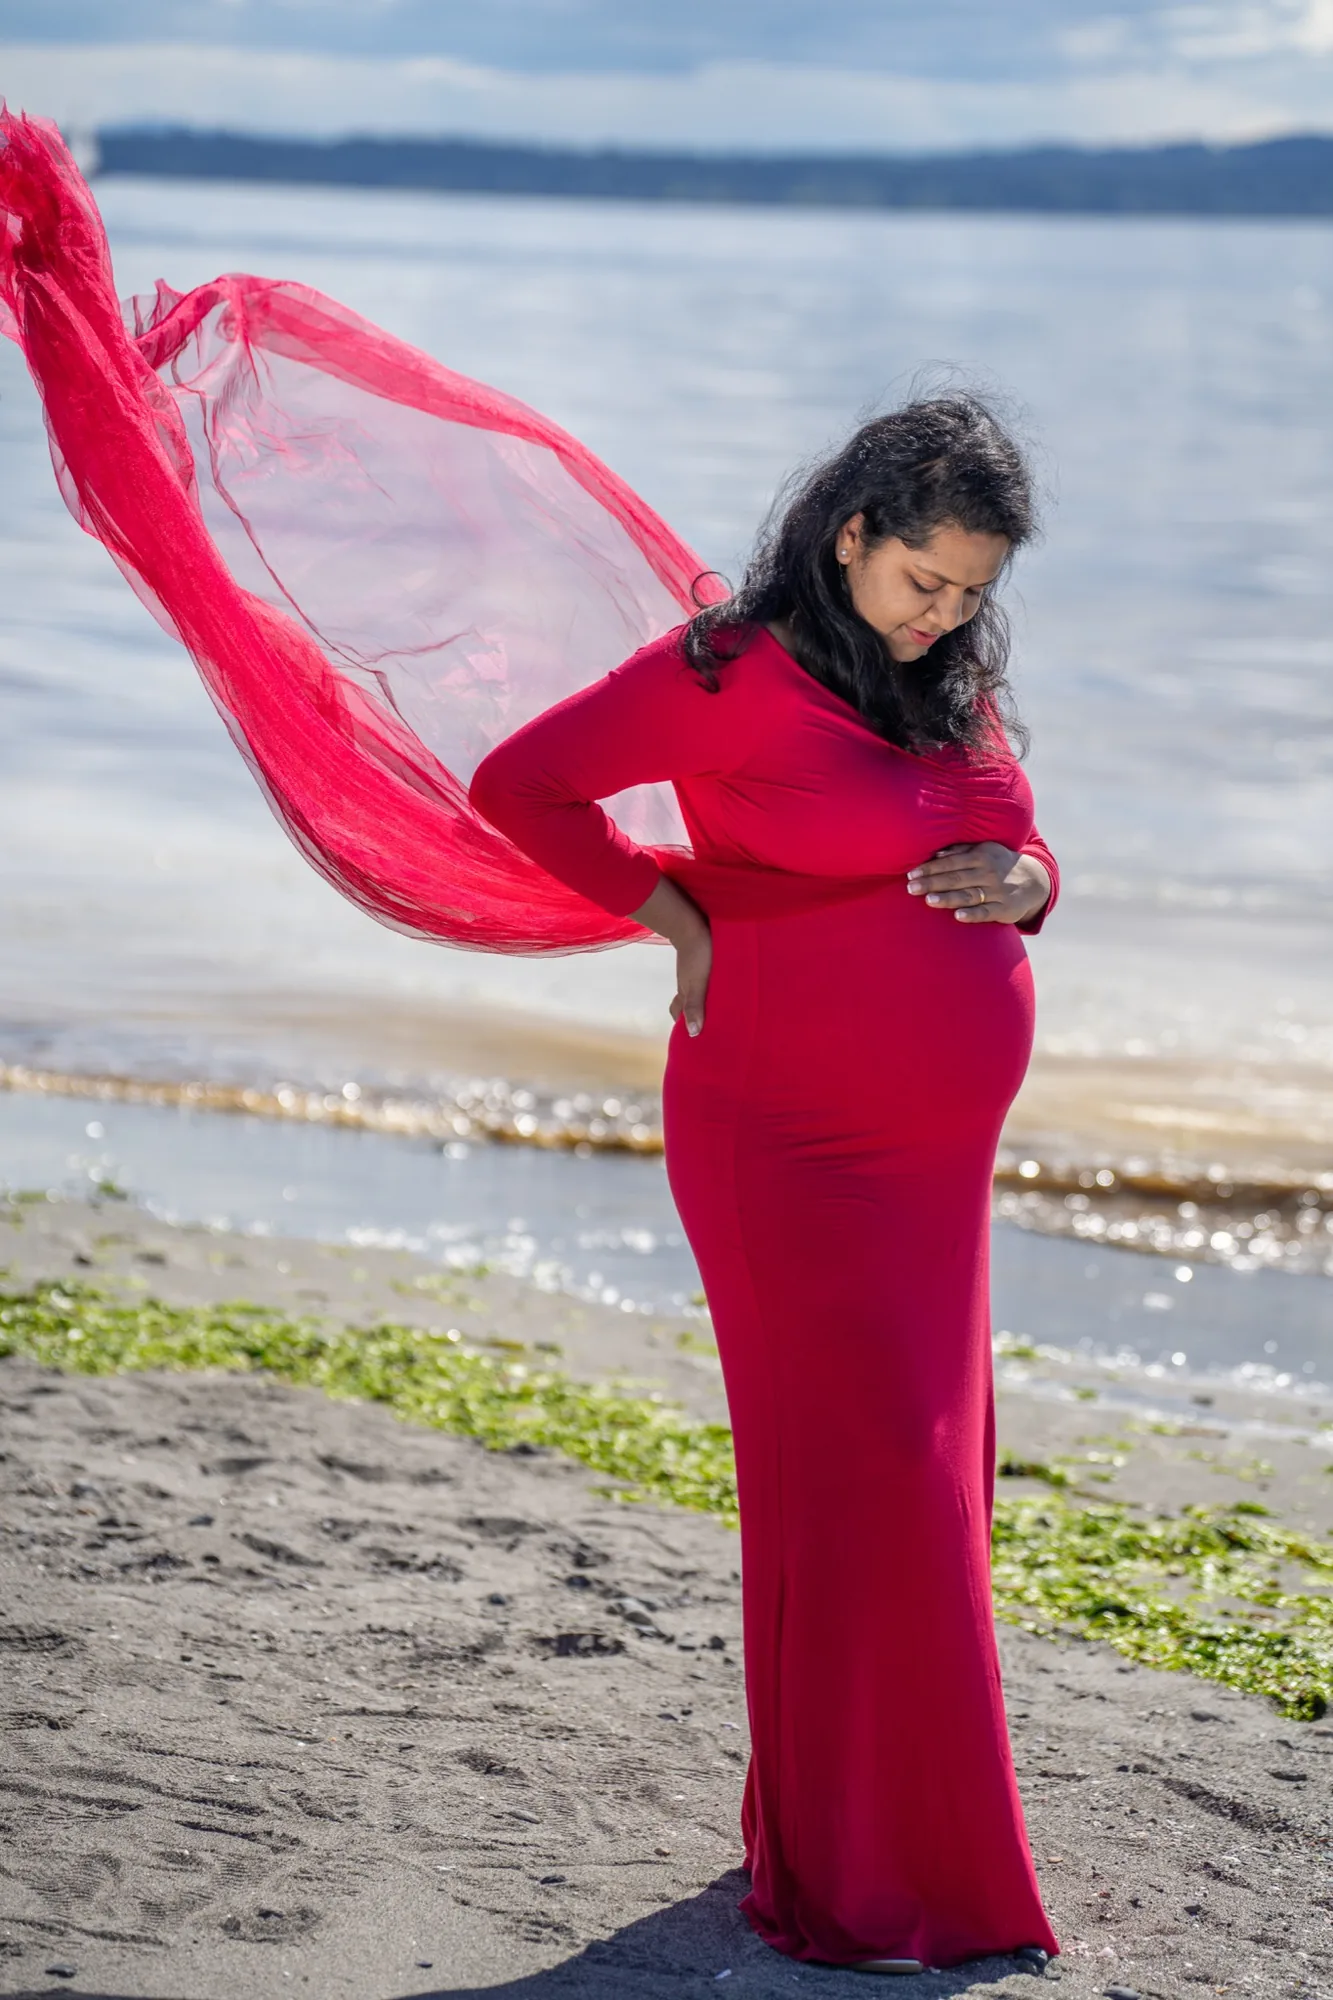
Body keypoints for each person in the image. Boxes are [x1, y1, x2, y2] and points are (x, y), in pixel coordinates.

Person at [469, 400, 1062, 1975]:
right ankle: (859, 1880)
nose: (945, 613)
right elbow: (520, 786)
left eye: (971, 592)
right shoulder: (724, 675)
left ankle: (895, 1850)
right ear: (850, 531)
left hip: (938, 1163)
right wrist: (671, 917)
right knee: (856, 1488)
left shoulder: (945, 681)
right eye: (923, 578)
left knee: (930, 1492)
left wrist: (1033, 888)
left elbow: (1014, 842)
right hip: (785, 1137)